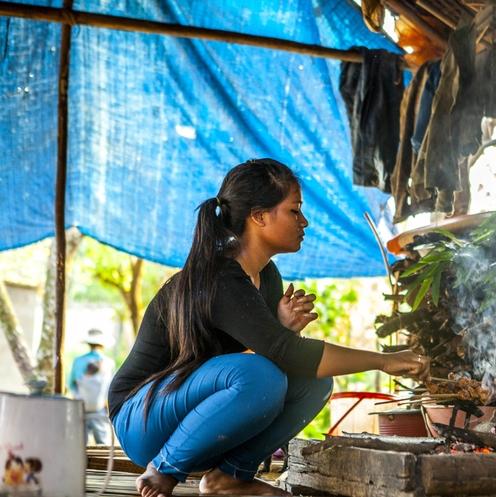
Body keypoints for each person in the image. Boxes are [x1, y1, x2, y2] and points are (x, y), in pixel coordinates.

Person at [107, 159, 429, 497]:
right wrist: (384, 360)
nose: (304, 221)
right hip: (140, 419)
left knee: (312, 382)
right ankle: (164, 469)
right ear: (259, 216)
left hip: (183, 411)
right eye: (294, 210)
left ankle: (229, 478)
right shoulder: (221, 277)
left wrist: (281, 330)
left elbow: (285, 356)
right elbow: (283, 355)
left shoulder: (267, 277)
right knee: (260, 375)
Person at [69, 328, 115, 445]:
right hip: (99, 409)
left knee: (80, 445)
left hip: (80, 407)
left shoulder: (78, 361)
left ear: (88, 343)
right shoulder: (109, 363)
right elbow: (111, 388)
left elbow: (71, 384)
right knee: (103, 444)